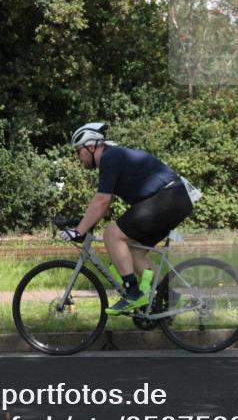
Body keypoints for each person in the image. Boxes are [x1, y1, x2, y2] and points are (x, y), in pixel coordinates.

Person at [60, 122, 194, 314]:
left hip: (169, 197)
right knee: (133, 253)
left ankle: (133, 294)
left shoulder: (110, 157)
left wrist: (79, 230)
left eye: (78, 151)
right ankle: (170, 297)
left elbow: (102, 200)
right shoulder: (113, 157)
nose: (77, 157)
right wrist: (83, 224)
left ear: (90, 147)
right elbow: (104, 202)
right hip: (175, 198)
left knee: (112, 235)